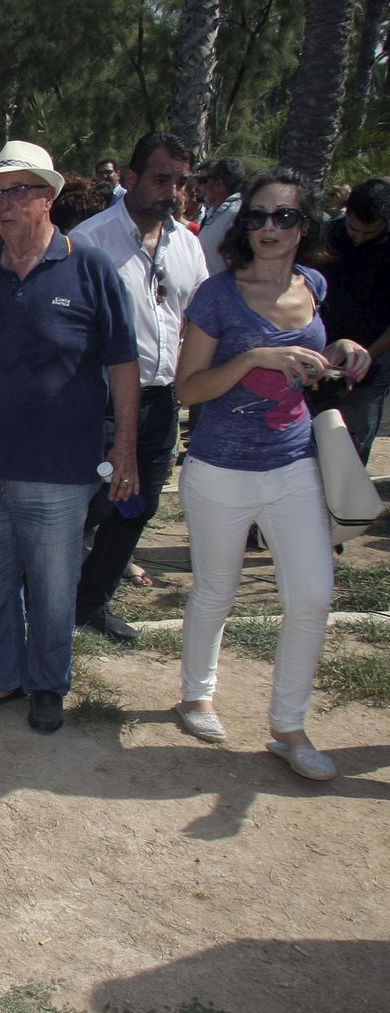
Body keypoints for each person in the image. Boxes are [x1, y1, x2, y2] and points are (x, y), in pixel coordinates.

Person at [173, 171, 372, 779]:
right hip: (219, 468)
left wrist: (341, 350)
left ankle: (288, 727)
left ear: (304, 227)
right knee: (217, 587)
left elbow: (312, 357)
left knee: (312, 593)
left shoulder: (314, 284)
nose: (268, 229)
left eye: (283, 218)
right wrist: (257, 357)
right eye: (257, 217)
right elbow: (188, 389)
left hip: (292, 462)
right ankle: (196, 695)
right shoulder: (217, 296)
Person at [0, 141, 139, 735]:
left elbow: (123, 363)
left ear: (50, 197)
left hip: (61, 470)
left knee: (55, 591)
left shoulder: (90, 267)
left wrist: (125, 445)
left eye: (20, 190)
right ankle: (3, 677)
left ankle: (49, 685)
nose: (5, 204)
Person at [70, 133, 208, 644]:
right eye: (160, 178)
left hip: (163, 398)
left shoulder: (189, 244)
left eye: (180, 181)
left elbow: (191, 319)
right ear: (130, 179)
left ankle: (88, 605)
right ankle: (44, 600)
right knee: (94, 504)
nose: (171, 190)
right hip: (103, 400)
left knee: (141, 505)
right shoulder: (90, 240)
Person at [312, 177, 390, 464]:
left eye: (368, 232)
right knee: (311, 439)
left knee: (352, 444)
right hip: (320, 355)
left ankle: (344, 507)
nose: (358, 238)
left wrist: (367, 356)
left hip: (373, 360)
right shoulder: (328, 235)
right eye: (353, 228)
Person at [196, 157, 246, 273]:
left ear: (219, 184)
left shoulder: (236, 215)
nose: (201, 186)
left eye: (204, 180)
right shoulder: (216, 212)